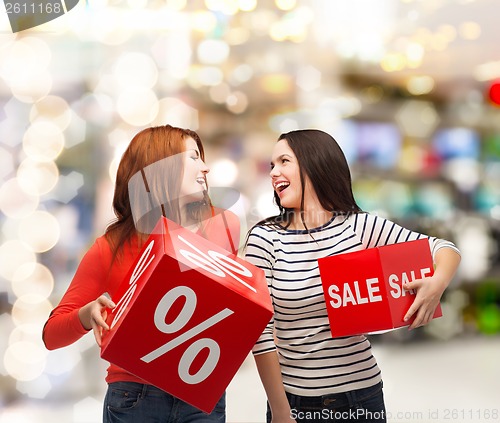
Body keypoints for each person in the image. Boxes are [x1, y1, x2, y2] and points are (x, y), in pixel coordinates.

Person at [244, 129, 461, 423]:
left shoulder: (357, 227)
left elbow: (443, 248)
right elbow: (261, 332)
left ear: (314, 163)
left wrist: (438, 282)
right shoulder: (265, 239)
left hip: (362, 397)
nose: (274, 172)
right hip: (294, 403)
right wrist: (281, 410)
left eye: (284, 161)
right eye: (272, 165)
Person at [43, 124, 240, 423]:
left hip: (200, 394)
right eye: (193, 157)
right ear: (161, 167)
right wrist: (87, 313)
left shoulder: (223, 227)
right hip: (134, 396)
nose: (206, 167)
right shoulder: (111, 247)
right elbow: (51, 335)